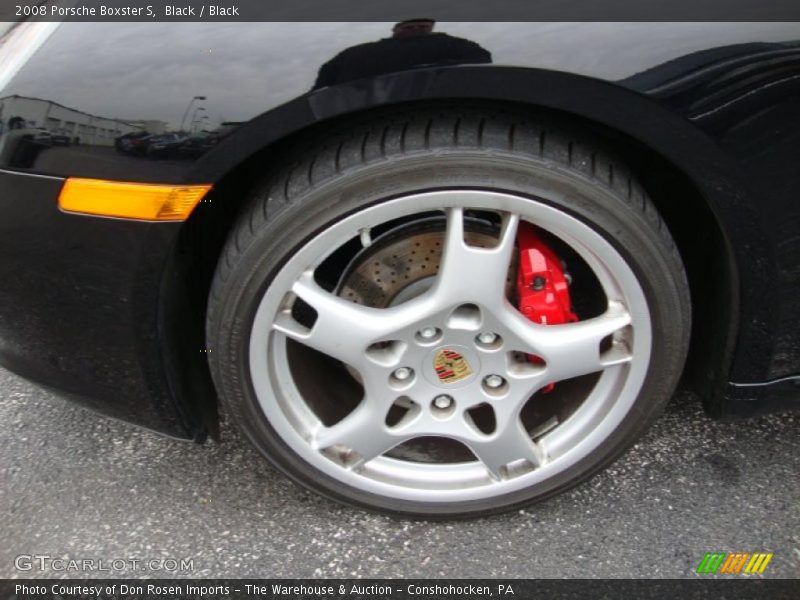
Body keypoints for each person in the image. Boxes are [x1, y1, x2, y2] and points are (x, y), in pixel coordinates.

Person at [314, 19, 492, 89]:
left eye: (422, 26)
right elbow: (321, 88)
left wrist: (433, 70)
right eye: (409, 26)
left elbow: (482, 61)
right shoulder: (355, 54)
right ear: (396, 28)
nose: (416, 29)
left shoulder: (451, 45)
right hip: (352, 118)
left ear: (431, 27)